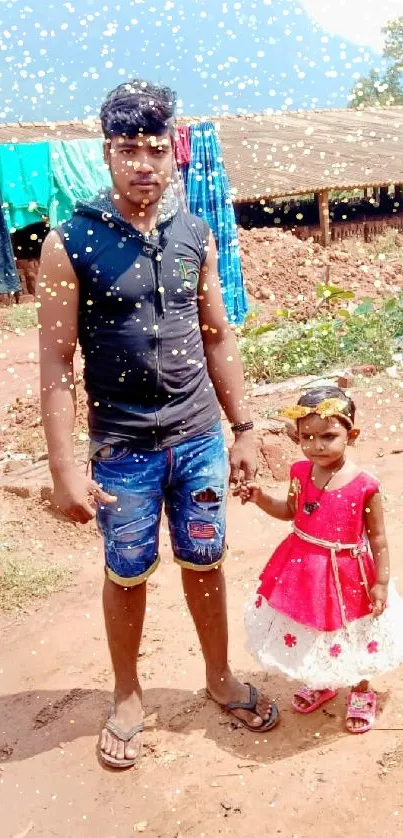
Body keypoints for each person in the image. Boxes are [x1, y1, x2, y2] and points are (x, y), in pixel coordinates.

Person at [37, 78, 279, 769]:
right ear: (106, 155)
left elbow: (217, 336)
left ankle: (217, 675)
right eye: (125, 150)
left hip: (199, 438)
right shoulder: (70, 242)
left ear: (174, 154)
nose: (141, 163)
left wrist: (243, 428)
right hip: (123, 450)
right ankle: (126, 694)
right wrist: (64, 471)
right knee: (127, 571)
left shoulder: (193, 234)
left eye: (153, 149)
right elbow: (55, 362)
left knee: (205, 560)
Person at [241, 386, 403, 734]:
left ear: (351, 435)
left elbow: (378, 538)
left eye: (328, 436)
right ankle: (321, 679)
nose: (317, 445)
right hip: (304, 568)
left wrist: (381, 582)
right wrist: (259, 498)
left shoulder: (365, 486)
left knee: (353, 630)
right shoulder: (300, 473)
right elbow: (289, 512)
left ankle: (361, 689)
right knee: (311, 625)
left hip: (348, 571)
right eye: (307, 437)